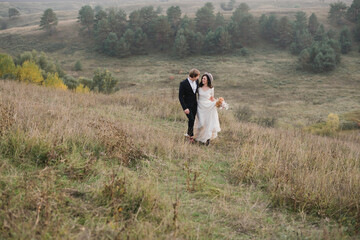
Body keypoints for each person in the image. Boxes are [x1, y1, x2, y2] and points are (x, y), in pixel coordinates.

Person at [194, 72, 221, 146]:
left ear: (208, 80)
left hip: (208, 106)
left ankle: (207, 140)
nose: (203, 79)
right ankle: (199, 138)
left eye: (204, 79)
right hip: (200, 106)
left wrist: (218, 103)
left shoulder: (211, 88)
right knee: (201, 123)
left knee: (208, 123)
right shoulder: (199, 87)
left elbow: (212, 98)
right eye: (202, 78)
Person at [179, 69, 200, 143]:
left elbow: (198, 91)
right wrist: (185, 108)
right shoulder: (183, 83)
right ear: (193, 76)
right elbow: (180, 97)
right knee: (191, 119)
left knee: (193, 120)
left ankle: (189, 134)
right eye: (197, 76)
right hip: (187, 106)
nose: (198, 78)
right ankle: (190, 137)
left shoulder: (196, 81)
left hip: (195, 105)